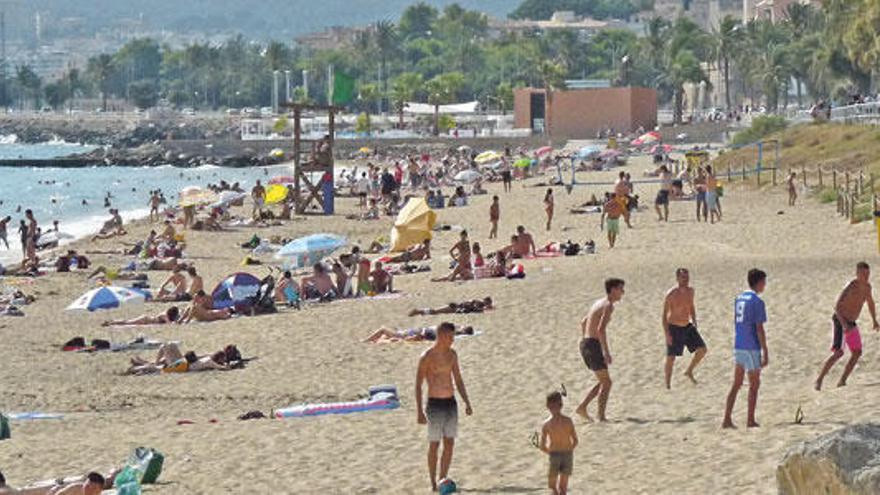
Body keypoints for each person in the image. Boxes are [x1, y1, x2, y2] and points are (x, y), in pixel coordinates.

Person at [415, 322, 473, 492]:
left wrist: (467, 402)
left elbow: (458, 380)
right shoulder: (427, 356)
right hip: (434, 404)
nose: (452, 340)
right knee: (434, 444)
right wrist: (419, 411)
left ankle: (442, 478)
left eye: (453, 336)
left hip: (450, 402)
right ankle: (433, 481)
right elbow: (418, 385)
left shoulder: (452, 355)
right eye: (450, 337)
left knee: (450, 443)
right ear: (440, 335)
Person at [815, 262, 879, 390]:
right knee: (838, 352)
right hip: (840, 320)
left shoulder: (867, 288)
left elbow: (870, 303)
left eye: (868, 274)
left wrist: (874, 320)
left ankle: (842, 381)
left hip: (851, 322)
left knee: (857, 352)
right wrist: (844, 325)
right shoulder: (851, 286)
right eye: (863, 274)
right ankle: (819, 379)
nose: (866, 276)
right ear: (857, 274)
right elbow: (837, 307)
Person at [722, 269, 769, 429]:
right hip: (751, 346)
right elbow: (759, 328)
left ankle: (727, 418)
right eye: (764, 282)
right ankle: (750, 419)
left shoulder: (739, 298)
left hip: (739, 343)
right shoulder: (757, 301)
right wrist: (765, 350)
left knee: (736, 383)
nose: (765, 285)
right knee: (754, 385)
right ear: (759, 282)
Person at [575, 278, 625, 423]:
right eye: (621, 289)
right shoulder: (608, 305)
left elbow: (584, 322)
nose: (623, 292)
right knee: (607, 382)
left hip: (586, 342)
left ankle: (583, 407)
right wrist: (605, 351)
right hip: (592, 344)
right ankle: (601, 416)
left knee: (603, 381)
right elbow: (601, 329)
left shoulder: (598, 302)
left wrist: (584, 339)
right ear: (613, 289)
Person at [662, 268, 707, 389]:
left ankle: (689, 371)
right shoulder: (671, 294)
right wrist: (667, 334)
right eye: (683, 277)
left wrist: (695, 320)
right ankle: (667, 385)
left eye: (687, 277)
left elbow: (691, 306)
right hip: (674, 327)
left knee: (702, 350)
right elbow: (664, 315)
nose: (686, 280)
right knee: (671, 357)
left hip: (687, 326)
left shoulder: (691, 291)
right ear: (677, 278)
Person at [540, 391, 578, 495]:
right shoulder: (568, 421)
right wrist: (569, 449)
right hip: (567, 454)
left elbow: (542, 446)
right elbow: (575, 441)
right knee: (561, 486)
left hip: (556, 454)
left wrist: (550, 452)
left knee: (554, 486)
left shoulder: (547, 424)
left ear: (548, 406)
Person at [365, 325, 475, 343]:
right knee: (387, 335)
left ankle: (366, 340)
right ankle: (375, 340)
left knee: (383, 330)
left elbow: (420, 336)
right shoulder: (453, 332)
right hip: (415, 332)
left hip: (414, 332)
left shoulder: (452, 332)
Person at [409, 297, 493, 316]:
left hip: (455, 307)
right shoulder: (477, 302)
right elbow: (468, 304)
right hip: (455, 307)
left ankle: (420, 311)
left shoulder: (479, 304)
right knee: (436, 311)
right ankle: (419, 311)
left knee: (437, 311)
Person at [102, 307, 180, 327]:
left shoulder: (166, 314)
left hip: (147, 319)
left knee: (127, 322)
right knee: (127, 323)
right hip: (145, 320)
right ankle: (111, 322)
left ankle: (111, 322)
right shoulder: (165, 315)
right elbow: (169, 323)